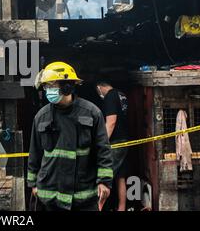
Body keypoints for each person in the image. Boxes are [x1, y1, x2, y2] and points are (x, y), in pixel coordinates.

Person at [27, 62, 113, 211]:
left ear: (67, 86)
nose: (48, 90)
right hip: (49, 197)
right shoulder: (41, 117)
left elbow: (103, 150)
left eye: (52, 85)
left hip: (83, 197)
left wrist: (104, 181)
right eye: (46, 86)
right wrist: (33, 184)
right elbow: (35, 153)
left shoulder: (92, 113)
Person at [96, 81, 129, 211]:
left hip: (115, 143)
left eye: (97, 91)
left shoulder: (110, 96)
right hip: (125, 141)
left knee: (104, 177)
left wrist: (102, 143)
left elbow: (111, 122)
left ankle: (97, 207)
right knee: (120, 177)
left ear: (100, 87)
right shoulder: (122, 95)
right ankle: (122, 208)